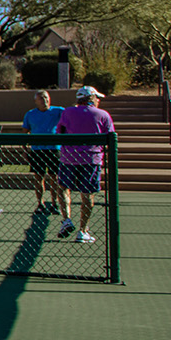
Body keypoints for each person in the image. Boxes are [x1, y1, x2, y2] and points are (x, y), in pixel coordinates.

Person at [55, 85, 115, 244]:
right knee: (87, 194)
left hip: (69, 158)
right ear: (92, 98)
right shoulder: (103, 115)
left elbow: (59, 132)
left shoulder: (67, 112)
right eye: (97, 98)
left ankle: (66, 219)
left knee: (63, 188)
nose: (99, 101)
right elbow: (110, 137)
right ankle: (83, 231)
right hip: (91, 160)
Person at [21, 89, 65, 212]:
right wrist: (25, 150)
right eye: (41, 98)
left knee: (54, 177)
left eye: (46, 97)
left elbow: (70, 119)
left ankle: (54, 203)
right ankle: (40, 204)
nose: (44, 100)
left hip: (53, 149)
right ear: (36, 101)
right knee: (39, 177)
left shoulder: (59, 111)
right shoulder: (30, 114)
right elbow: (25, 133)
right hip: (37, 151)